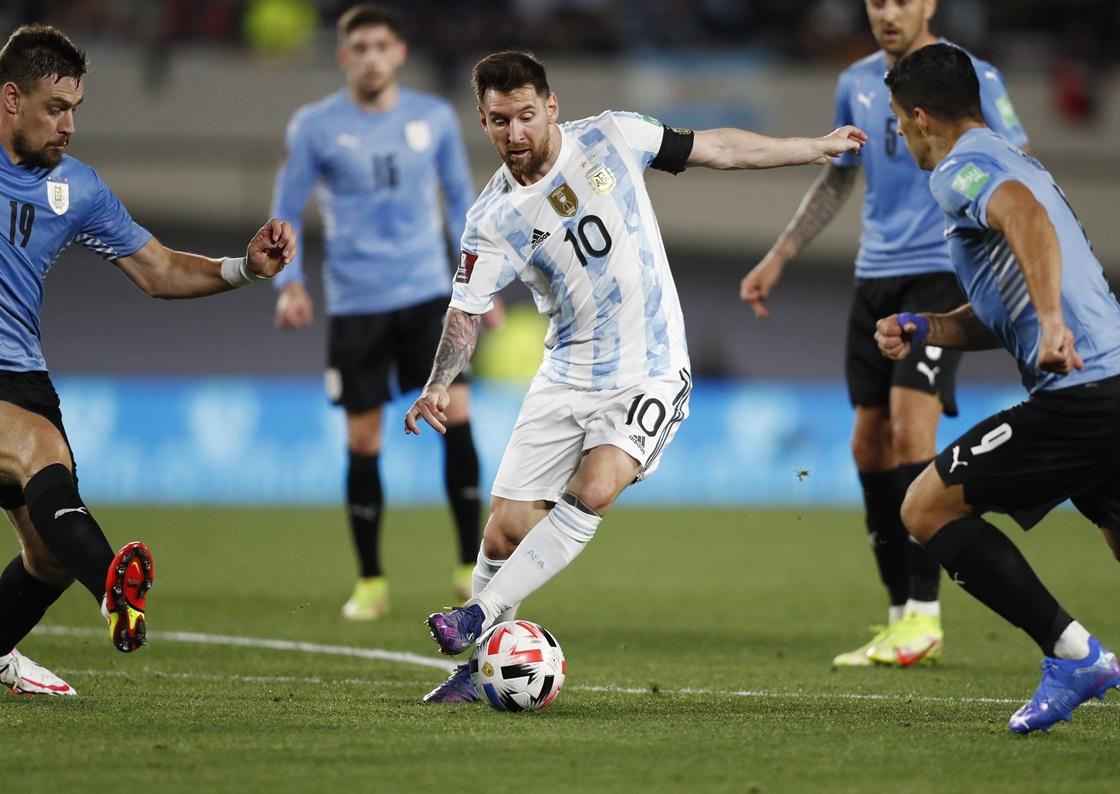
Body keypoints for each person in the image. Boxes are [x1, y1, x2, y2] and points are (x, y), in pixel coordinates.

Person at [405, 50, 866, 703]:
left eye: (527, 116)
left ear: (552, 107)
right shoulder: (491, 222)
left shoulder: (614, 135)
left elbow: (720, 148)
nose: (515, 134)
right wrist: (438, 381)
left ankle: (477, 618)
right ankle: (474, 671)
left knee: (596, 486)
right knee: (505, 530)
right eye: (500, 120)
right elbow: (465, 313)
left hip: (650, 366)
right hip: (567, 371)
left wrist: (812, 146)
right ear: (482, 119)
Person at [876, 42, 1120, 733]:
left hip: (1087, 393)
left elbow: (1025, 217)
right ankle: (1074, 652)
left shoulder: (962, 171)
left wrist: (1053, 324)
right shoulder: (1010, 156)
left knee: (925, 508)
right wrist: (928, 325)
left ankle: (1073, 654)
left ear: (924, 118)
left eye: (901, 124)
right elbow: (1006, 299)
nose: (902, 138)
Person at [0, 24, 295, 696]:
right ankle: (113, 590)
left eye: (76, 108)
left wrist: (244, 268)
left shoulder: (78, 190)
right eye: (55, 108)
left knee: (45, 559)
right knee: (37, 447)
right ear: (11, 98)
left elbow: (158, 270)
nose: (69, 124)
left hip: (21, 371)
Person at [739, 0, 1029, 668]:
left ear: (929, 3)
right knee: (867, 445)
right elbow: (838, 178)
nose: (887, 13)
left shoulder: (972, 74)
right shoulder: (858, 81)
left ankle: (925, 614)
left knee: (909, 431)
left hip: (940, 275)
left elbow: (1020, 162)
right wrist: (779, 256)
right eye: (875, 2)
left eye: (901, 0)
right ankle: (900, 610)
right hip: (873, 278)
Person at [271, 4, 489, 618]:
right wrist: (288, 283)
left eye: (380, 46)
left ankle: (470, 567)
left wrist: (481, 287)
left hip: (429, 298)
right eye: (358, 48)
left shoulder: (435, 118)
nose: (370, 57)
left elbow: (462, 202)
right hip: (356, 304)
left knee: (459, 416)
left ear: (399, 53)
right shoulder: (314, 125)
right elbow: (286, 209)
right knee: (364, 439)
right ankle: (371, 581)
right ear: (345, 57)